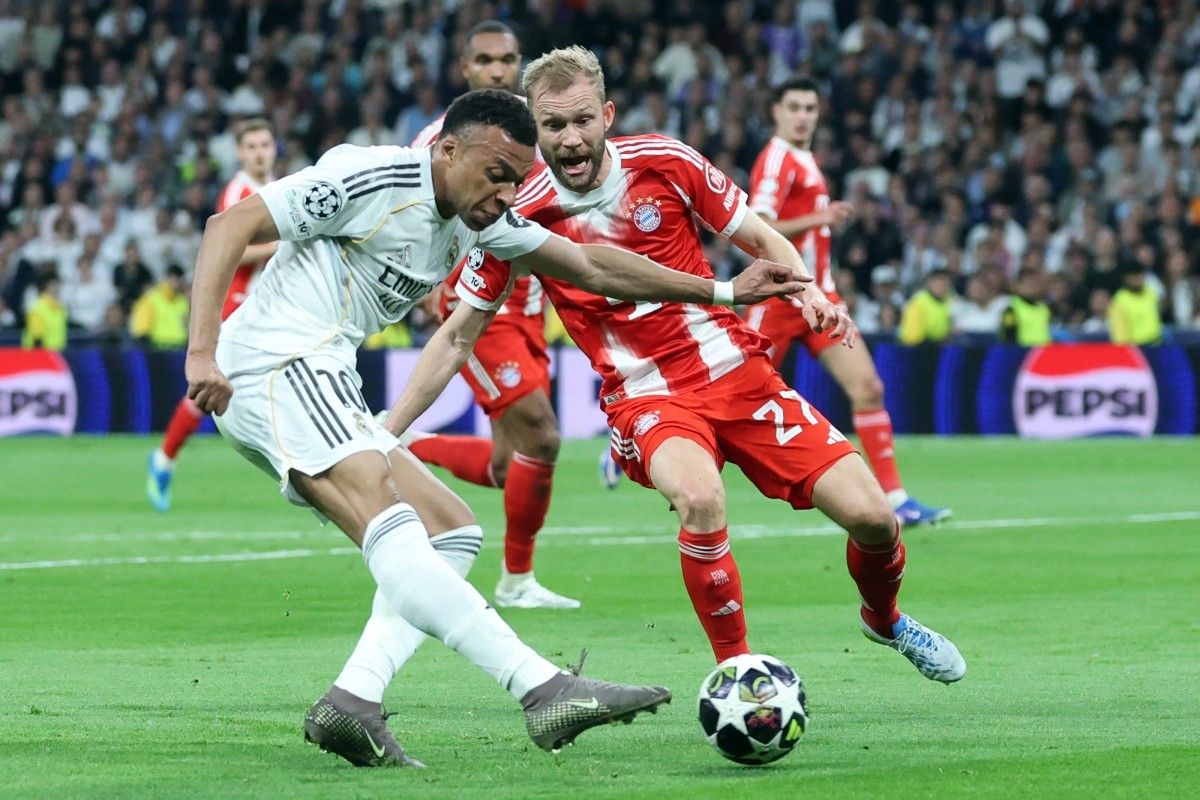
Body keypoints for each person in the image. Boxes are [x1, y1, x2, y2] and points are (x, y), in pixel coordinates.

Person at [185, 89, 803, 768]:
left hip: (318, 373)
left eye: (518, 178)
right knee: (386, 518)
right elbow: (229, 224)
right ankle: (541, 688)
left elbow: (593, 266)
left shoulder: (481, 217)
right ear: (449, 150)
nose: (508, 192)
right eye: (498, 173)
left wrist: (721, 291)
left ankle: (353, 701)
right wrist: (201, 353)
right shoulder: (376, 176)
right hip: (277, 363)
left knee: (451, 528)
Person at [372, 52, 965, 690]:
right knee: (702, 498)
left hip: (739, 373)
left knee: (875, 519)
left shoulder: (667, 160)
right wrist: (388, 431)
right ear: (536, 131)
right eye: (552, 127)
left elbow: (765, 239)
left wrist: (810, 294)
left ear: (606, 116)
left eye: (580, 121)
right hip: (646, 395)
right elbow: (458, 334)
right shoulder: (520, 218)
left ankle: (885, 617)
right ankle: (737, 673)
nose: (569, 139)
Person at [406, 21, 579, 609]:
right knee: (544, 432)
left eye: (508, 59)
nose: (499, 70)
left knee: (513, 465)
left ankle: (411, 442)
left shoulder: (540, 139)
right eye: (485, 60)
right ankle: (516, 580)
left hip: (529, 306)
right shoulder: (439, 138)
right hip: (475, 304)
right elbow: (415, 215)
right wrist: (427, 284)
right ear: (466, 70)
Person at [743, 76, 951, 526]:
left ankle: (895, 499)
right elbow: (757, 226)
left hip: (819, 297)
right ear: (776, 111)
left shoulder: (804, 158)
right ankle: (655, 450)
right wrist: (821, 216)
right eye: (794, 107)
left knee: (869, 388)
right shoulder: (777, 159)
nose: (802, 116)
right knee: (732, 392)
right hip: (780, 297)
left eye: (810, 108)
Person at [147, 119, 279, 512]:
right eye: (252, 146)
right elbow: (231, 250)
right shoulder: (237, 192)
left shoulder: (276, 186)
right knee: (210, 389)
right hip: (236, 302)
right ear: (240, 153)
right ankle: (165, 457)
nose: (259, 152)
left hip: (268, 303)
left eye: (265, 144)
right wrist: (279, 245)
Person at [129, 264, 189, 348]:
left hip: (180, 346)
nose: (176, 282)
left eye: (178, 279)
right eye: (173, 278)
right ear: (167, 278)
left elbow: (186, 324)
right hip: (158, 347)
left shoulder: (183, 301)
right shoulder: (152, 298)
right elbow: (140, 325)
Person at [898, 268, 954, 345]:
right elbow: (912, 338)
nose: (943, 287)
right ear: (929, 283)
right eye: (939, 283)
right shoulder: (918, 303)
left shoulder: (950, 301)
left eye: (946, 283)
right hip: (918, 349)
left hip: (940, 347)